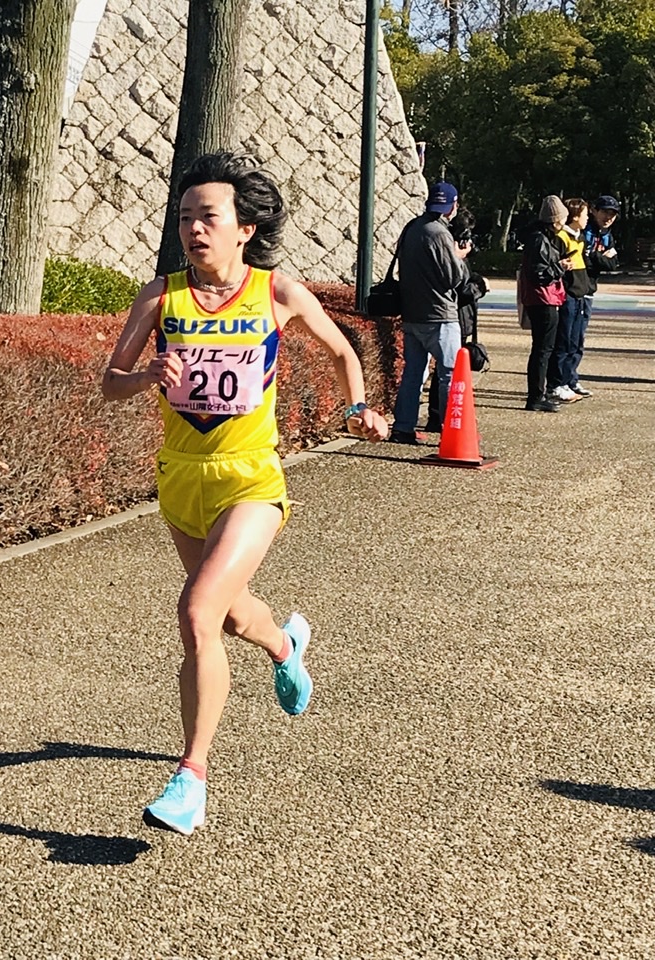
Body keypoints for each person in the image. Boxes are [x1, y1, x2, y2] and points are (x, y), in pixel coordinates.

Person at [100, 151, 389, 835]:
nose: (194, 230)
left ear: (244, 229)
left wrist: (357, 411)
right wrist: (147, 378)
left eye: (208, 217)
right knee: (229, 618)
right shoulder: (159, 295)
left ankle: (189, 779)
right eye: (184, 218)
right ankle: (286, 646)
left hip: (253, 481)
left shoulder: (276, 293)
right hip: (183, 482)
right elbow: (110, 380)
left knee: (197, 612)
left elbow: (344, 350)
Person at [390, 182, 471, 444]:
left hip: (412, 312)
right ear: (453, 206)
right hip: (440, 315)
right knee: (450, 373)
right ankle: (452, 429)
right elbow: (453, 278)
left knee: (413, 372)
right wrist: (459, 255)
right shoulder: (439, 233)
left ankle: (403, 427)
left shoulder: (412, 227)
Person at [426, 208, 488, 430]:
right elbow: (460, 289)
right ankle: (443, 418)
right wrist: (481, 286)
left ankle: (438, 416)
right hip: (453, 316)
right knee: (448, 370)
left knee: (443, 370)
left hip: (455, 316)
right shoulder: (450, 252)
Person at [519, 195, 572, 412]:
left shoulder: (538, 237)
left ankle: (537, 394)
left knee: (542, 348)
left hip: (540, 297)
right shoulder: (540, 239)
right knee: (543, 348)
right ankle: (536, 396)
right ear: (555, 221)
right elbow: (539, 273)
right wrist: (560, 267)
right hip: (543, 298)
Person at [575, 195, 622, 397]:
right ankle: (561, 382)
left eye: (613, 214)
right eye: (605, 212)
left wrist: (596, 258)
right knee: (568, 339)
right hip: (576, 288)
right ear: (594, 211)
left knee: (579, 340)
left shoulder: (607, 235)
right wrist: (599, 257)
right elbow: (584, 258)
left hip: (590, 290)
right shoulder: (585, 230)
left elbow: (613, 264)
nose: (608, 217)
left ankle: (572, 379)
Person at [548, 198, 590, 404]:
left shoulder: (580, 237)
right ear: (574, 216)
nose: (587, 218)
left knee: (575, 341)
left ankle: (569, 380)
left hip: (580, 294)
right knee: (562, 341)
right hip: (567, 295)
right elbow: (556, 265)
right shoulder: (561, 237)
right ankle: (556, 384)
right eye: (585, 214)